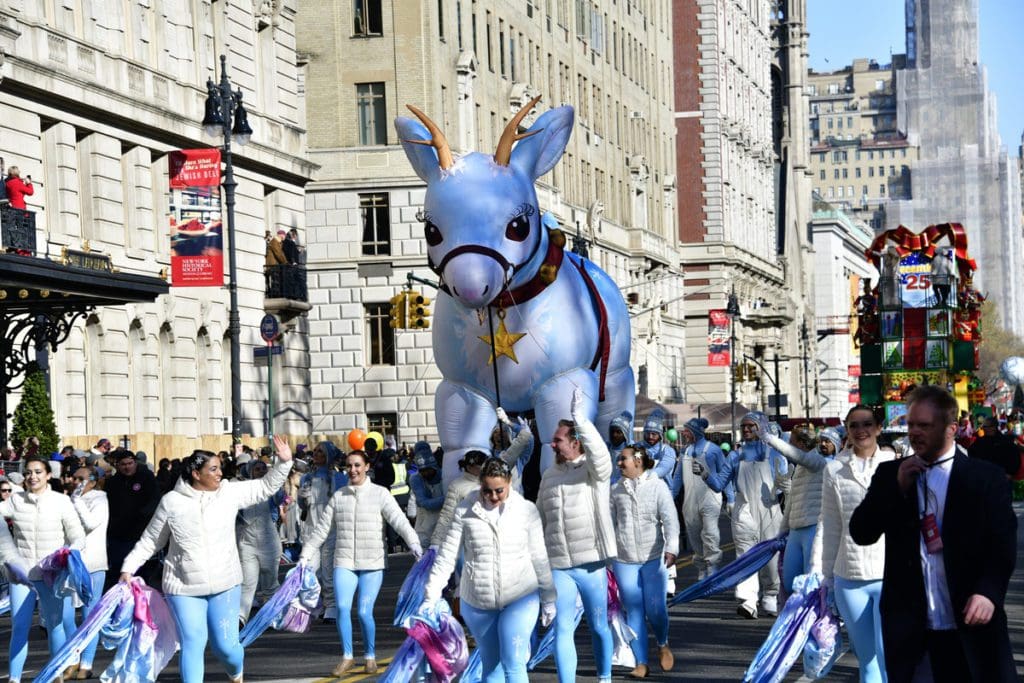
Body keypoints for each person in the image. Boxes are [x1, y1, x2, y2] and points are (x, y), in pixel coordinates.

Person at [850, 386, 1017, 682]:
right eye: (911, 424)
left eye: (924, 425)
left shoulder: (984, 478)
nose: (914, 432)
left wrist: (989, 592)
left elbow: (1002, 545)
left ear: (951, 428)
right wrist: (895, 489)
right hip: (913, 634)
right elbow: (862, 532)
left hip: (971, 625)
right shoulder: (892, 474)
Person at [119, 436, 294, 683]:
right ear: (196, 473)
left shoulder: (229, 493)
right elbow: (151, 540)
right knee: (192, 642)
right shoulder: (172, 502)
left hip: (225, 584)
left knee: (227, 649)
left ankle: (236, 673)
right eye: (213, 469)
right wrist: (128, 568)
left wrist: (284, 463)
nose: (220, 473)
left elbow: (265, 487)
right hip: (183, 588)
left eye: (220, 467)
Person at [423, 457, 555, 682]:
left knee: (513, 663)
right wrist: (431, 595)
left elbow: (539, 557)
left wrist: (548, 596)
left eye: (499, 491)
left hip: (520, 596)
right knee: (491, 665)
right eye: (487, 491)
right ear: (480, 484)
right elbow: (447, 555)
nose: (493, 497)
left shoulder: (526, 510)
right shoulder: (464, 510)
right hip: (478, 600)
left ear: (510, 482)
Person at [299, 449, 422, 677]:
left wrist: (414, 543)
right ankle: (347, 657)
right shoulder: (339, 496)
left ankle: (369, 656)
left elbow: (399, 521)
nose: (353, 470)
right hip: (344, 560)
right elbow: (321, 530)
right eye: (349, 466)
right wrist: (305, 556)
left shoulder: (380, 494)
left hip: (372, 562)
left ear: (366, 467)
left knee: (365, 612)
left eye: (357, 465)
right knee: (343, 608)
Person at [536, 388, 617, 683]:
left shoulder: (593, 471)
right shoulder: (549, 475)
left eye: (557, 440)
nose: (553, 445)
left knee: (598, 626)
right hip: (559, 566)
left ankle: (605, 677)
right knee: (562, 628)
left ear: (575, 442)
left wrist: (581, 419)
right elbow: (538, 519)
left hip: (591, 564)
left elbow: (601, 456)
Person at [820, 405, 892, 683]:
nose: (861, 431)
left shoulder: (894, 464)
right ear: (846, 430)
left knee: (888, 656)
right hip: (848, 577)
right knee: (868, 661)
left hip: (889, 575)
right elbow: (830, 527)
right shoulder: (834, 470)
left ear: (878, 428)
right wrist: (825, 577)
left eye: (867, 424)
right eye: (854, 425)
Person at [0, 455, 86, 683]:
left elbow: (78, 535)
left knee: (54, 625)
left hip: (52, 575)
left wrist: (69, 553)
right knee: (19, 626)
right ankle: (14, 679)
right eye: (28, 472)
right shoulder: (16, 501)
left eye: (38, 472)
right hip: (22, 575)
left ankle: (55, 675)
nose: (32, 476)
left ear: (48, 475)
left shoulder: (61, 501)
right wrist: (7, 555)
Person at [610, 443, 678, 678]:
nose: (619, 463)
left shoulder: (658, 487)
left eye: (624, 459)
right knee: (634, 611)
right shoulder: (616, 490)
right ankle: (641, 663)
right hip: (624, 558)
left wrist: (672, 548)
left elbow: (670, 520)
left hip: (652, 558)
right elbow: (610, 524)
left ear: (638, 461)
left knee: (656, 609)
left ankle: (662, 643)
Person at [761, 424, 842, 592]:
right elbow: (792, 499)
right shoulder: (803, 465)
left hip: (814, 528)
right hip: (796, 530)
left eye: (828, 441)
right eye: (822, 440)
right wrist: (783, 530)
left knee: (810, 584)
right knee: (790, 582)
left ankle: (812, 617)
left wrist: (769, 438)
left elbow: (799, 457)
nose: (824, 444)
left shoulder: (820, 462)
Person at [728, 411, 788, 619]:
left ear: (760, 427)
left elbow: (783, 485)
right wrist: (708, 476)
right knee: (746, 555)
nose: (746, 430)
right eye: (743, 426)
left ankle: (771, 595)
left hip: (770, 509)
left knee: (771, 555)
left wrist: (785, 486)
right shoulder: (735, 455)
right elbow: (722, 482)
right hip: (744, 510)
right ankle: (748, 600)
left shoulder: (774, 454)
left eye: (750, 426)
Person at [67, 465, 109, 680]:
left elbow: (91, 523)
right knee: (67, 616)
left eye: (79, 478)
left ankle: (87, 663)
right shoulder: (72, 499)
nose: (74, 482)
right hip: (72, 564)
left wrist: (76, 501)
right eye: (73, 478)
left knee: (89, 615)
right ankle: (72, 658)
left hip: (93, 564)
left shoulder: (100, 499)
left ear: (92, 480)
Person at [298, 441, 347, 621]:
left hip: (331, 528)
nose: (317, 454)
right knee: (311, 568)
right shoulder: (306, 478)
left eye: (321, 451)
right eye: (315, 451)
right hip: (311, 527)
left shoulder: (339, 478)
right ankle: (315, 604)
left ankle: (332, 605)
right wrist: (302, 498)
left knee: (328, 569)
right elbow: (302, 506)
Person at [680, 417, 730, 579]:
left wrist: (730, 498)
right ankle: (701, 565)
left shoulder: (714, 450)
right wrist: (670, 495)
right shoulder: (685, 451)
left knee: (710, 532)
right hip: (690, 499)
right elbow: (677, 477)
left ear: (695, 432)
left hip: (710, 497)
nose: (684, 434)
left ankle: (712, 565)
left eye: (687, 431)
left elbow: (725, 473)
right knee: (694, 533)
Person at [237, 459, 286, 624]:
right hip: (248, 542)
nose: (262, 472)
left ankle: (273, 616)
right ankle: (240, 618)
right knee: (248, 582)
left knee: (270, 582)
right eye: (258, 469)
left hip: (269, 542)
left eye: (264, 469)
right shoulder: (242, 490)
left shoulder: (271, 489)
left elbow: (281, 498)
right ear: (250, 471)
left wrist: (279, 487)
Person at [104, 448, 160, 589]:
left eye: (130, 463)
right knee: (119, 568)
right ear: (117, 465)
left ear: (135, 463)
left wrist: (143, 515)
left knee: (141, 570)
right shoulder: (112, 483)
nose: (127, 467)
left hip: (139, 532)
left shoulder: (146, 477)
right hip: (118, 534)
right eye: (123, 464)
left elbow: (154, 500)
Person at [408, 442, 445, 550]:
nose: (425, 474)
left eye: (427, 470)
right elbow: (422, 502)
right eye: (422, 471)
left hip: (442, 523)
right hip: (425, 526)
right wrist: (447, 499)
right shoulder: (416, 479)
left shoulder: (444, 475)